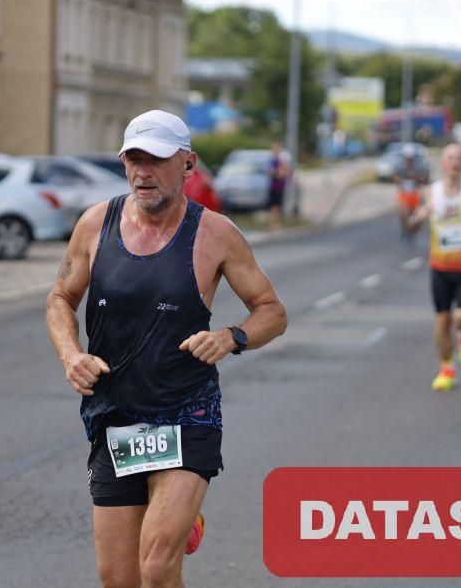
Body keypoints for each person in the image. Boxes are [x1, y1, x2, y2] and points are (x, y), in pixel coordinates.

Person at [46, 110, 288, 587]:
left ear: (188, 164)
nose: (143, 172)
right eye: (134, 159)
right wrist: (71, 355)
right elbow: (60, 298)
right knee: (119, 579)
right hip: (115, 416)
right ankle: (178, 520)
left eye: (156, 160)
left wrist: (231, 337)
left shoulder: (215, 234)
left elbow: (272, 312)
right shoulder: (96, 224)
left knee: (156, 567)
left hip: (186, 412)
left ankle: (175, 517)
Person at [407, 144, 461, 392]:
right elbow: (411, 225)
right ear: (442, 163)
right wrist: (421, 215)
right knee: (442, 322)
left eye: (459, 158)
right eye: (450, 158)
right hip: (440, 267)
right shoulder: (431, 192)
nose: (455, 162)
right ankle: (446, 370)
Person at [394, 144, 424, 243]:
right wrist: (399, 180)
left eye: (410, 158)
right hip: (403, 192)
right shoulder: (399, 165)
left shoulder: (418, 166)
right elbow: (395, 178)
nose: (409, 161)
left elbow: (424, 179)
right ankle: (405, 230)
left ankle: (412, 231)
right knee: (403, 213)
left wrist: (415, 177)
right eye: (407, 158)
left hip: (414, 192)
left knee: (415, 215)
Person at [267, 141, 291, 230]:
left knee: (277, 207)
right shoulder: (273, 160)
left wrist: (278, 172)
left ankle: (275, 223)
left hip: (279, 187)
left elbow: (284, 173)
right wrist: (278, 173)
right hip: (274, 187)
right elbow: (272, 172)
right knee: (274, 206)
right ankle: (273, 224)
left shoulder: (280, 160)